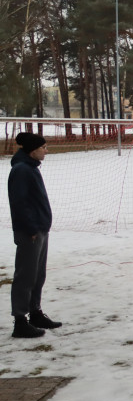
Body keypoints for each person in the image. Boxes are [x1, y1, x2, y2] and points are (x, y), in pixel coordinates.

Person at [8, 131, 59, 338]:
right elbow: (19, 204)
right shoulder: (21, 170)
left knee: (38, 274)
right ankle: (20, 321)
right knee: (26, 276)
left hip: (39, 229)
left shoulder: (31, 168)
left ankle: (35, 313)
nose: (46, 151)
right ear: (33, 150)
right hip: (30, 231)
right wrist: (30, 229)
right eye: (43, 148)